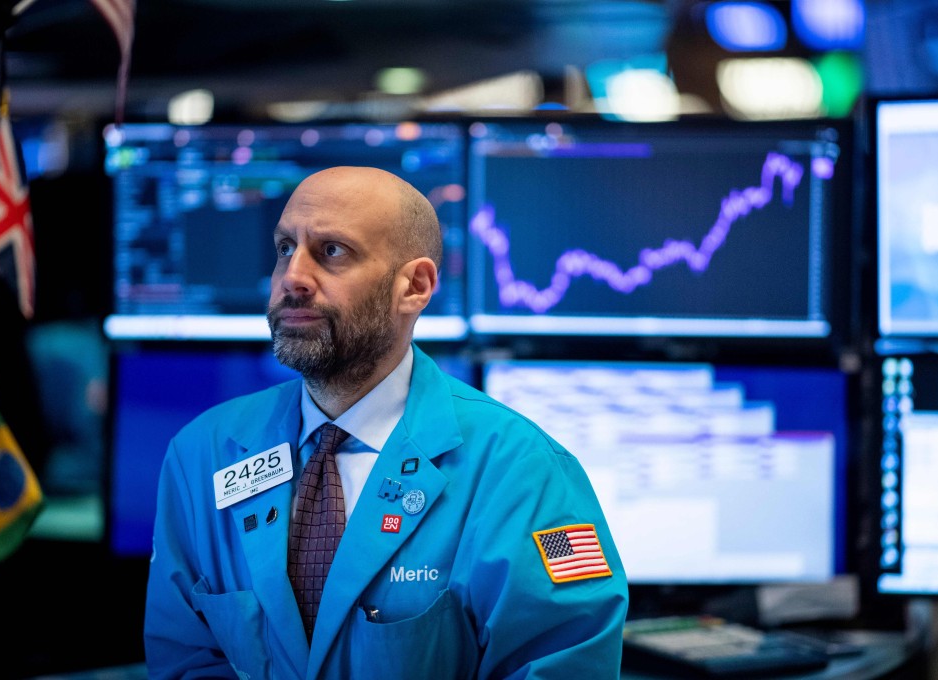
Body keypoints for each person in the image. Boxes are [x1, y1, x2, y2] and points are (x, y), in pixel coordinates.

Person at [143, 166, 629, 679]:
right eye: (286, 248)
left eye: (332, 252)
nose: (293, 278)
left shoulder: (522, 472)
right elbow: (186, 660)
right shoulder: (203, 454)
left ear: (414, 286)